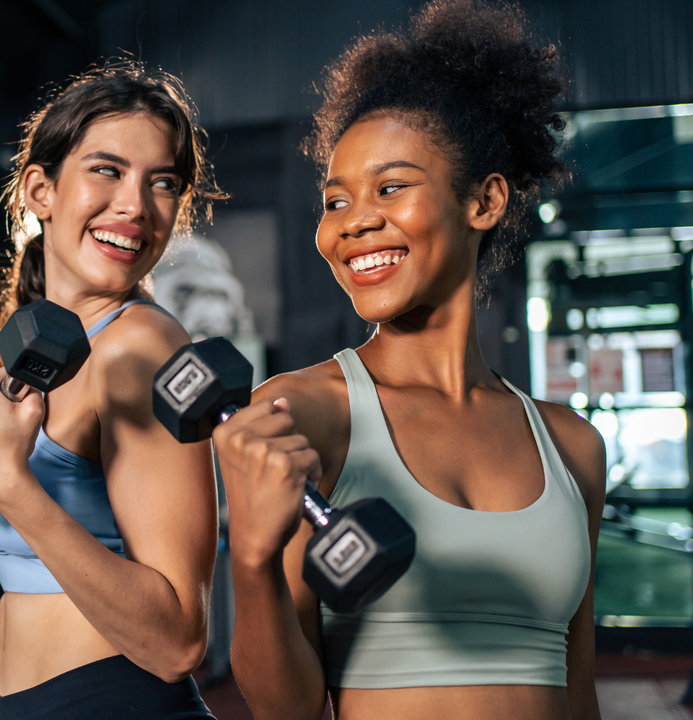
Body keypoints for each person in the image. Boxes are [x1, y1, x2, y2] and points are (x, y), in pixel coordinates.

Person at [213, 2, 605, 719]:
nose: (354, 220)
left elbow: (578, 686)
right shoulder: (304, 414)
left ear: (484, 201)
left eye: (390, 187)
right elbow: (286, 711)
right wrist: (252, 560)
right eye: (335, 200)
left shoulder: (572, 445)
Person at [0, 62, 223, 719]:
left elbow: (180, 638)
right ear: (41, 188)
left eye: (163, 183)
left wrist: (9, 483)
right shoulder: (44, 345)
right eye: (108, 169)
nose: (134, 205)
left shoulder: (139, 348)